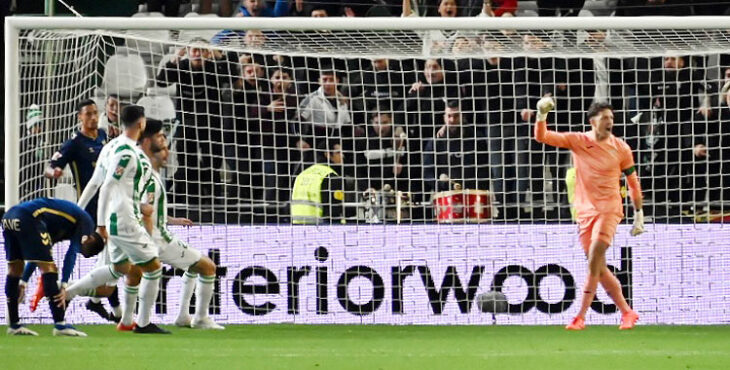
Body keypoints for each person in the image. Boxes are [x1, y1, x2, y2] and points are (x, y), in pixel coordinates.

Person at [534, 99, 645, 331]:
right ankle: (627, 312)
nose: (610, 122)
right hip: (585, 212)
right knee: (599, 266)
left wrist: (639, 214)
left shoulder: (622, 148)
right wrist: (541, 115)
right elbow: (542, 137)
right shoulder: (578, 141)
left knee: (596, 252)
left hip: (610, 209)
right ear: (592, 121)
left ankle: (580, 315)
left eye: (612, 118)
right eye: (605, 118)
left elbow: (633, 183)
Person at [65, 105, 169, 334]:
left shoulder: (110, 146)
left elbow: (94, 183)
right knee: (153, 268)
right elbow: (106, 187)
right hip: (124, 220)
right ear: (141, 124)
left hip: (118, 218)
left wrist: (78, 214)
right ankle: (142, 323)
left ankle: (67, 293)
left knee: (118, 268)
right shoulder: (126, 152)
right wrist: (100, 226)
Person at [26, 99, 120, 323]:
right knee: (100, 259)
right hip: (86, 212)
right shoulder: (74, 143)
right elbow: (50, 167)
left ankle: (102, 307)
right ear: (80, 117)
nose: (93, 118)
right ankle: (45, 285)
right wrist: (54, 172)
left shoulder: (105, 137)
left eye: (95, 113)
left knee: (111, 261)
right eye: (88, 114)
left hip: (110, 208)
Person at [137, 120, 224, 330]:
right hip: (158, 239)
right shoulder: (149, 175)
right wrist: (148, 242)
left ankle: (183, 316)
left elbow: (149, 208)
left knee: (193, 267)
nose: (167, 152)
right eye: (164, 147)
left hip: (157, 234)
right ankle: (201, 317)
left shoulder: (151, 172)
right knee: (208, 267)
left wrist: (172, 220)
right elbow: (144, 210)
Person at [3, 198, 105, 336]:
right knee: (50, 269)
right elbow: (72, 252)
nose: (80, 249)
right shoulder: (87, 223)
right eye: (84, 249)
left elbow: (37, 257)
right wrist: (63, 286)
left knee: (15, 268)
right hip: (29, 216)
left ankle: (14, 325)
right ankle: (60, 325)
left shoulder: (56, 226)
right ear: (90, 239)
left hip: (9, 216)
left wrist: (23, 282)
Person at [290, 141, 346, 225]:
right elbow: (334, 211)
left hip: (297, 226)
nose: (342, 156)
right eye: (338, 152)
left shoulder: (302, 174)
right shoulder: (331, 176)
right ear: (327, 154)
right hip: (320, 227)